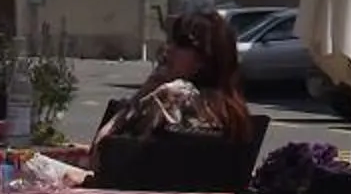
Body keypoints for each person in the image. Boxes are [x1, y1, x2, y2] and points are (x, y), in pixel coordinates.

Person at [94, 10, 250, 146]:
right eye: (171, 40)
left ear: (204, 60)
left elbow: (103, 148)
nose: (169, 49)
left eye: (182, 43)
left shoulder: (174, 95)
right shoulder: (231, 111)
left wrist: (142, 93)